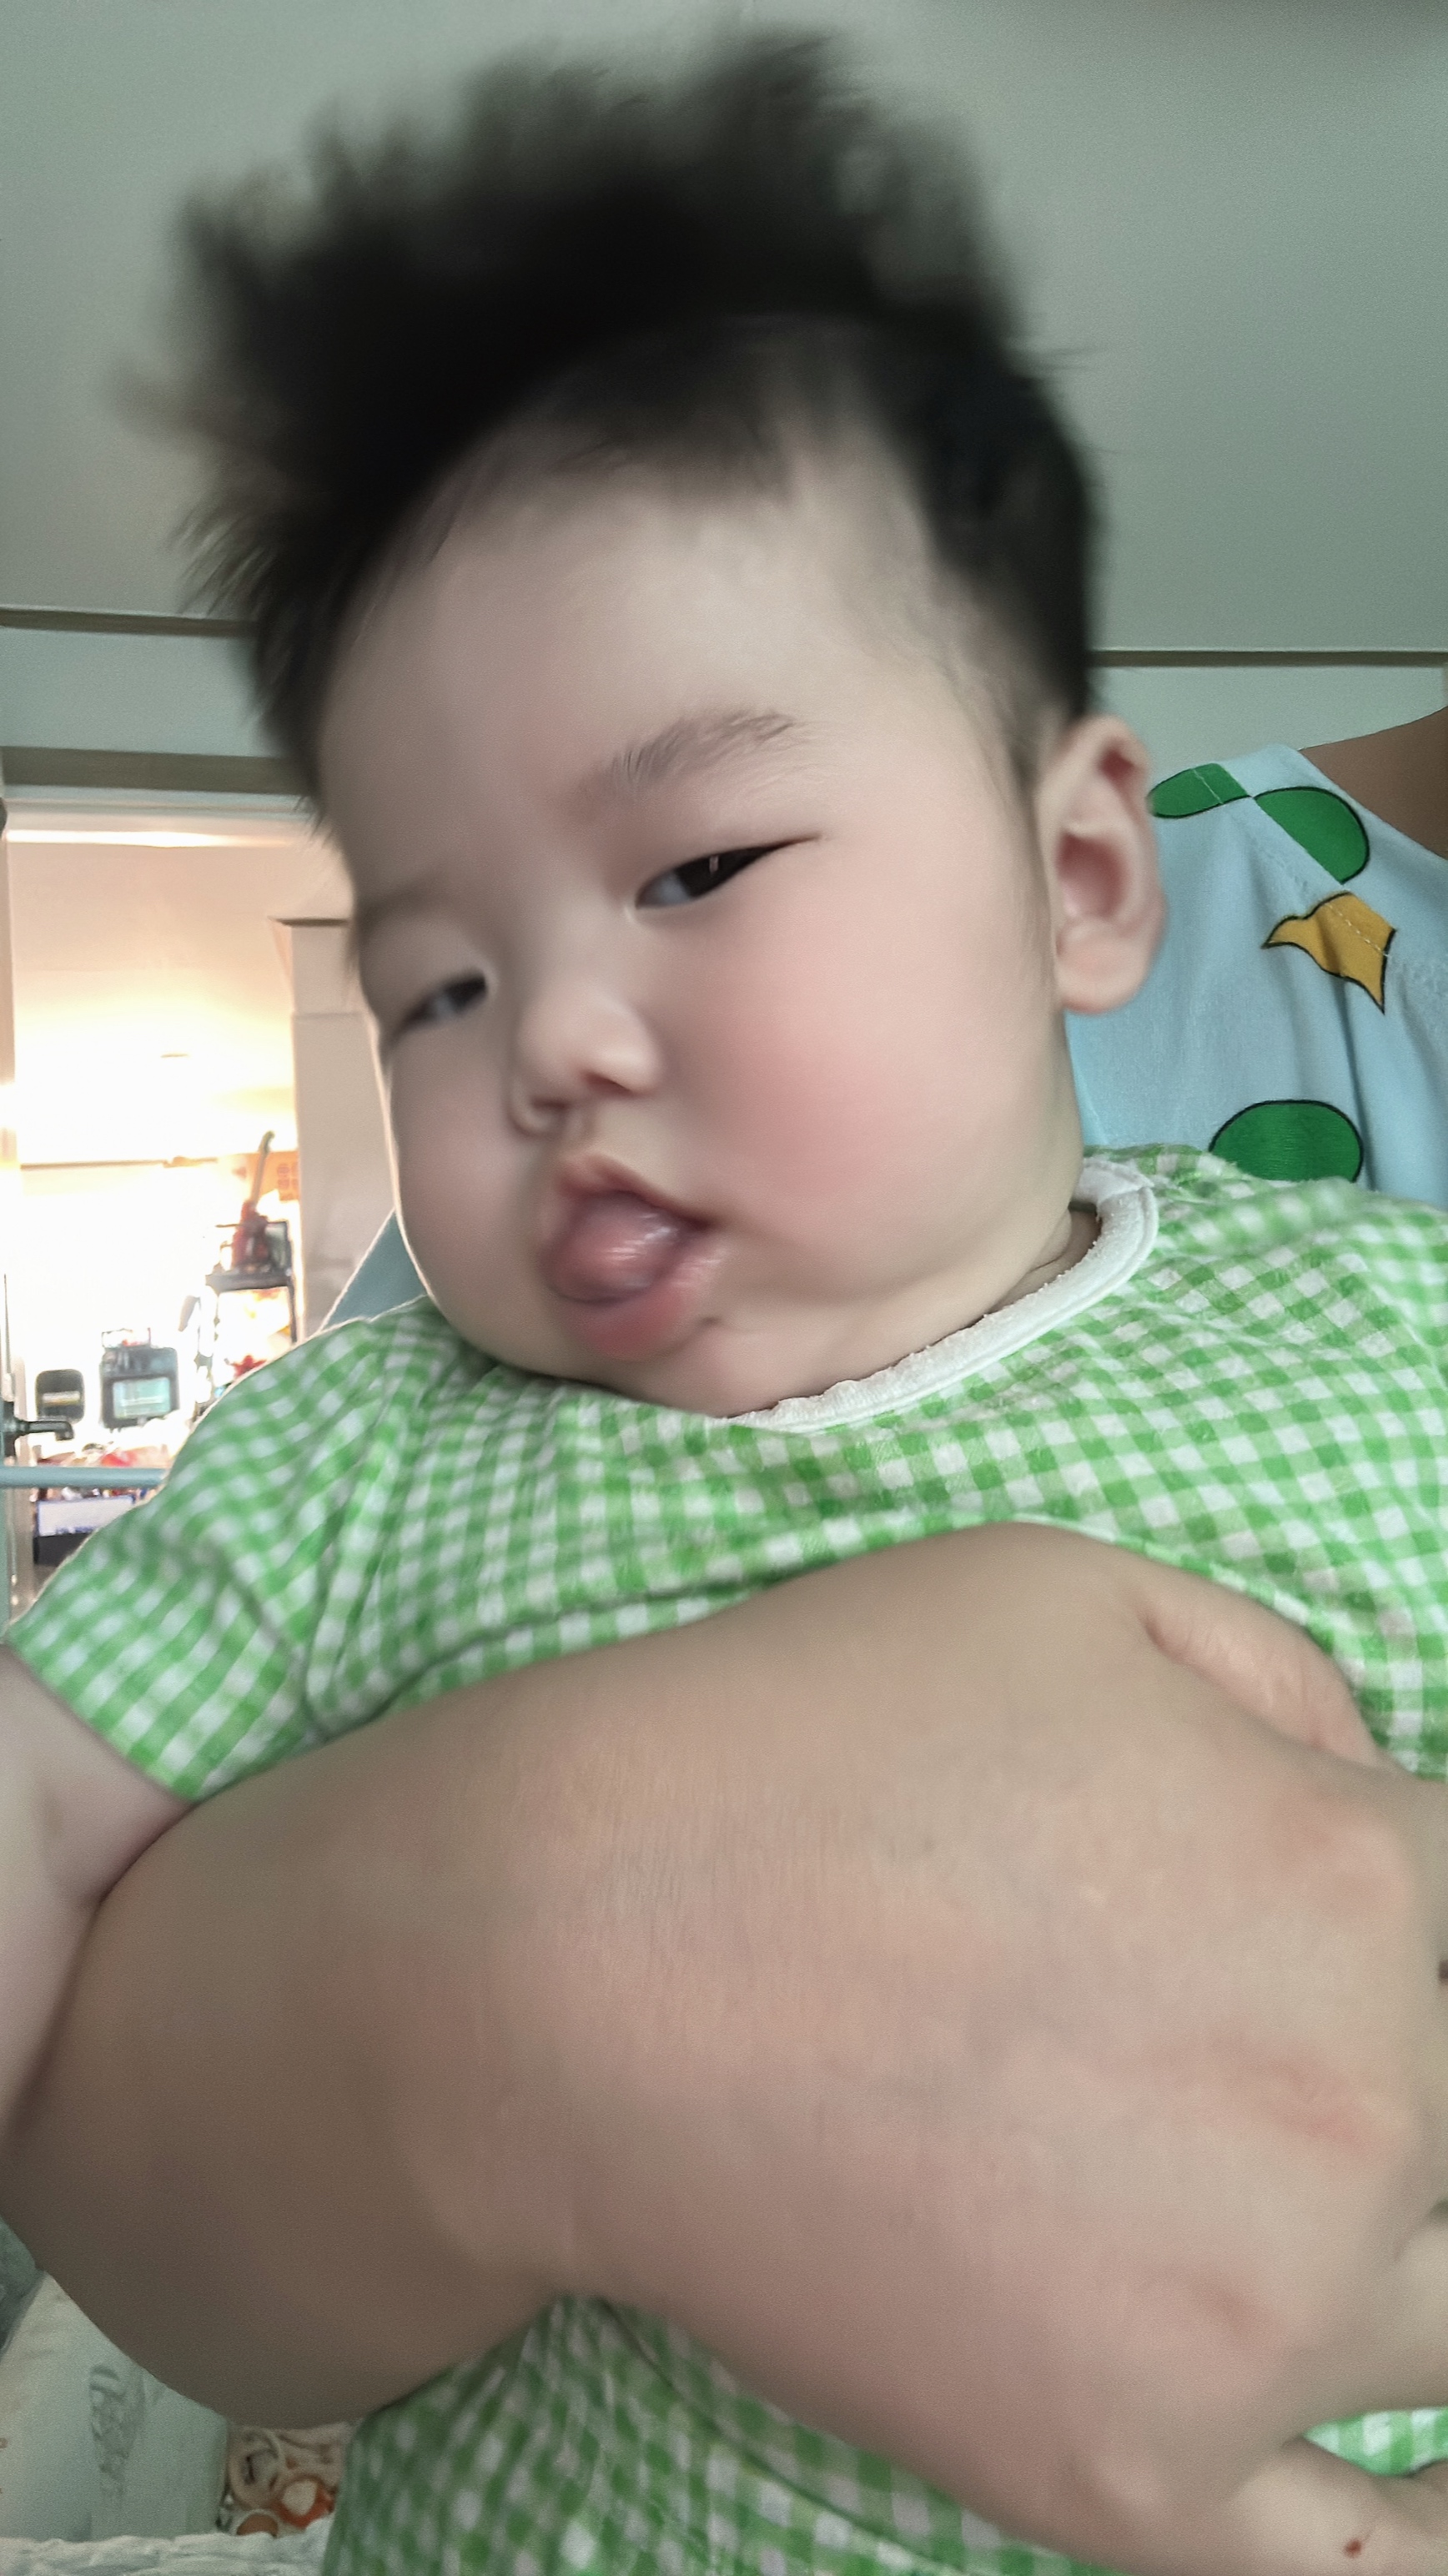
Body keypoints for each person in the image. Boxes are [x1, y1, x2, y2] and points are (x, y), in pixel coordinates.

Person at [5, 38, 1448, 2576]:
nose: (551, 1043)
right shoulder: (362, 1447)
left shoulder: (1383, 1317)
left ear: (1080, 879)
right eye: (436, 981)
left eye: (694, 870)